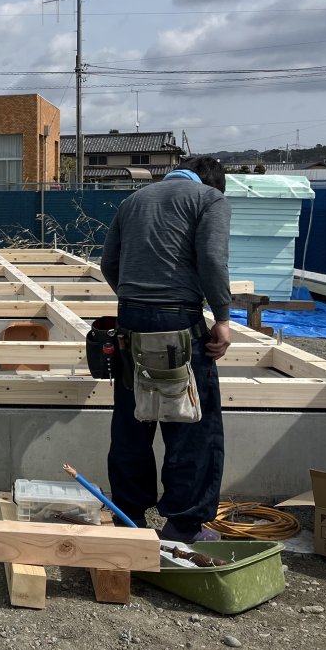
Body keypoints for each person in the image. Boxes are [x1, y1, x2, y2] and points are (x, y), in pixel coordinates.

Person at [99, 156, 232, 544]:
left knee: (133, 419)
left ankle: (129, 518)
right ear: (213, 182)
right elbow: (212, 259)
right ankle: (184, 525)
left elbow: (108, 263)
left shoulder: (134, 200)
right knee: (191, 422)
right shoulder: (209, 199)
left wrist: (133, 299)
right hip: (179, 318)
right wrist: (222, 317)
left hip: (130, 320)